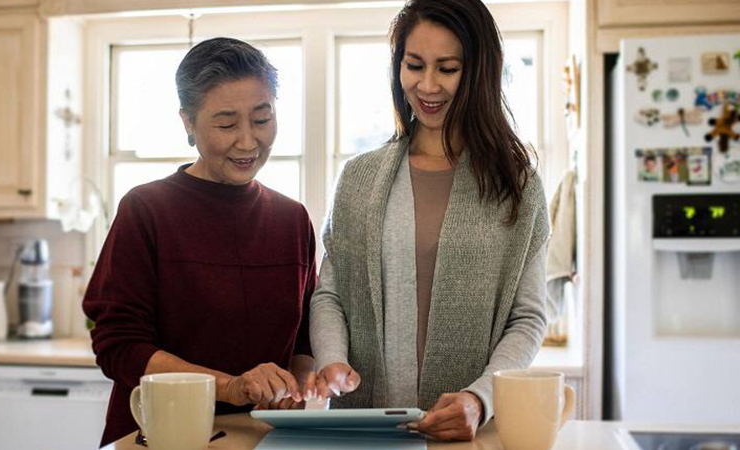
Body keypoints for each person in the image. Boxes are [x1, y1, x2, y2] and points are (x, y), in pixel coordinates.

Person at [307, 0, 550, 442]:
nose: (428, 85)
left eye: (448, 68)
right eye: (414, 65)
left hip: (466, 435)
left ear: (478, 72)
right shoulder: (359, 177)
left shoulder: (517, 185)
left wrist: (479, 399)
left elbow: (528, 318)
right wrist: (332, 360)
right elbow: (332, 293)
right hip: (364, 431)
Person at [83, 37, 317, 446]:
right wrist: (230, 387)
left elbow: (303, 340)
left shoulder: (291, 220)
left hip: (262, 439)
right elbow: (119, 346)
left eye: (262, 119)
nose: (247, 142)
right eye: (226, 124)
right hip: (159, 435)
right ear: (188, 122)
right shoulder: (145, 210)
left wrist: (294, 390)